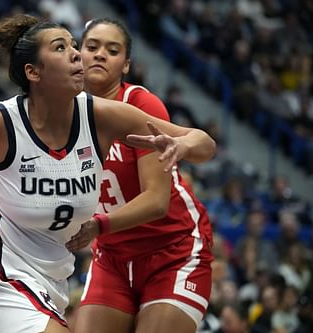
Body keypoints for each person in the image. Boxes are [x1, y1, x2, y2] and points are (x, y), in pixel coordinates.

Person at [0, 14, 216, 333]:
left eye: (75, 46)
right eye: (62, 48)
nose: (78, 54)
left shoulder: (104, 116)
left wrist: (183, 146)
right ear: (33, 72)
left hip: (54, 277)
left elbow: (203, 142)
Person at [69, 18, 213, 333]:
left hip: (172, 250)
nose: (100, 55)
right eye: (92, 47)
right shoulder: (60, 113)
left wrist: (183, 143)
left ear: (126, 65)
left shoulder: (138, 104)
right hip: (112, 256)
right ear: (77, 55)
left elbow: (158, 200)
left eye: (112, 50)